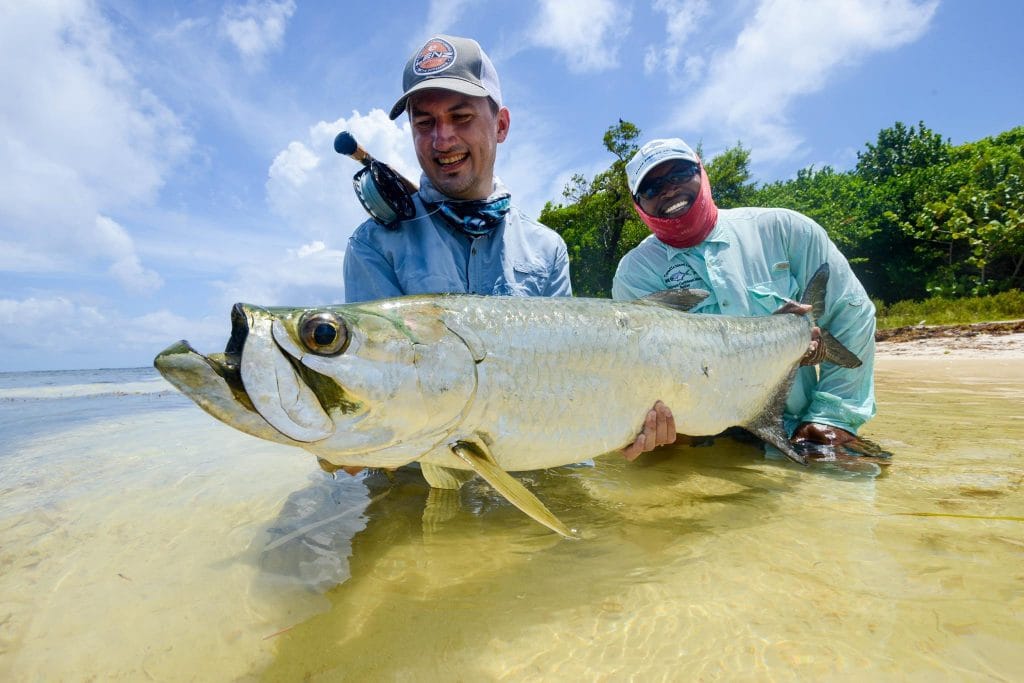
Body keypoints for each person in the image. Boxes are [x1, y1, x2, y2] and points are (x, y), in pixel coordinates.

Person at [341, 34, 674, 464]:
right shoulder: (372, 245)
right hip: (417, 476)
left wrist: (624, 424)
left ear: (500, 126)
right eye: (425, 123)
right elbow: (368, 392)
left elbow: (567, 384)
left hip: (535, 466)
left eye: (461, 117)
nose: (442, 139)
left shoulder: (546, 248)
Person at [613, 137, 877, 459]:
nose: (668, 189)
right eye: (652, 188)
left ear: (702, 172)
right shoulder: (635, 273)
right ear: (639, 205)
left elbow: (852, 314)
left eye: (679, 174)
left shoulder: (785, 229)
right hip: (699, 441)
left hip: (799, 430)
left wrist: (832, 417)